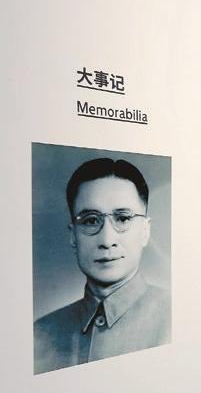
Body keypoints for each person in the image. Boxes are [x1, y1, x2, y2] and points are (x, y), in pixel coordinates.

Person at [34, 158, 171, 374]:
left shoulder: (177, 317)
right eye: (90, 220)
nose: (107, 240)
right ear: (73, 236)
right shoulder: (40, 333)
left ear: (145, 231)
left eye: (123, 219)